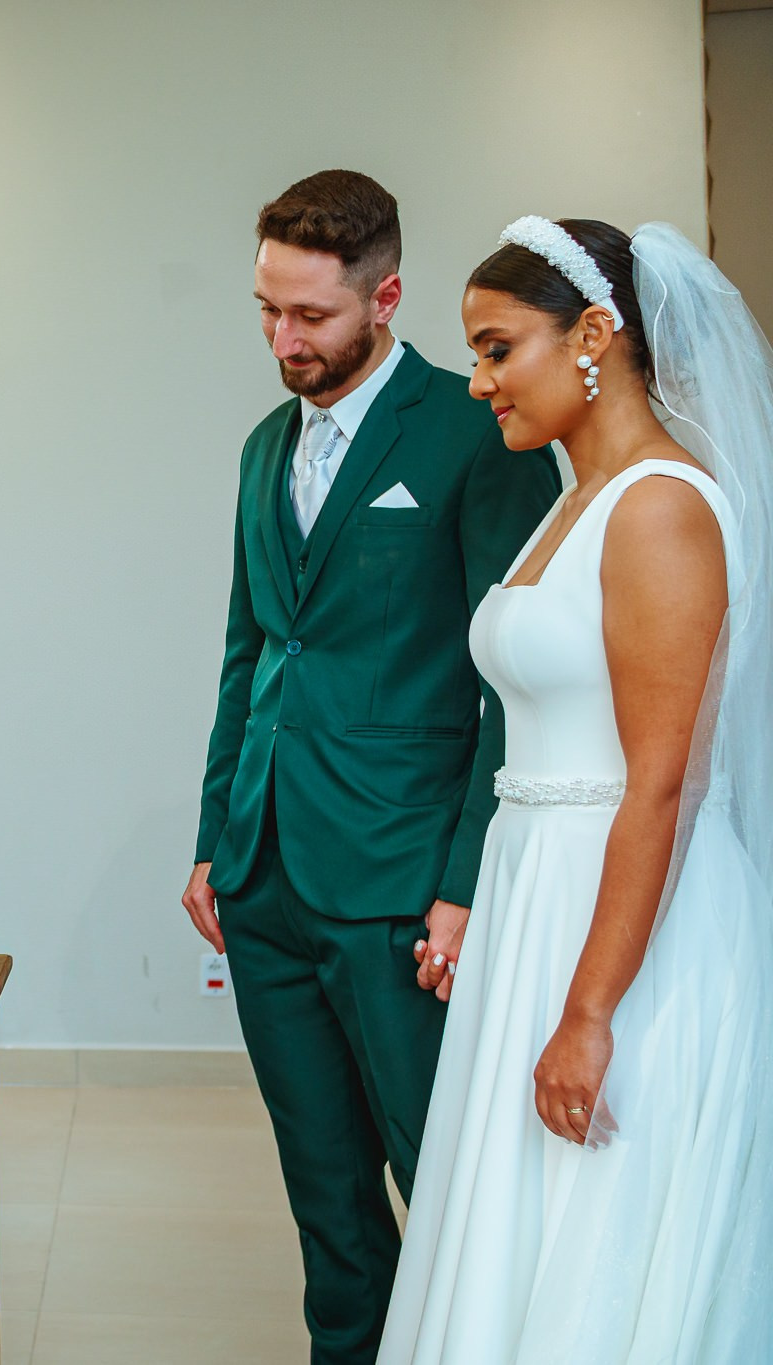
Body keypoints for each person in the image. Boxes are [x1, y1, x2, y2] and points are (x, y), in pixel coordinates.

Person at [378, 218, 773, 1362]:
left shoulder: (657, 508)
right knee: (513, 1219)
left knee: (596, 1234)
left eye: (498, 348)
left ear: (593, 334)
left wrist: (591, 1012)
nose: (476, 380)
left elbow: (662, 783)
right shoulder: (568, 500)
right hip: (537, 890)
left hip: (626, 918)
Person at [181, 170, 559, 1364]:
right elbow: (249, 652)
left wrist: (463, 882)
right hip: (263, 876)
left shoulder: (472, 431)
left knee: (438, 1172)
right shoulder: (257, 447)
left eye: (310, 317)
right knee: (326, 1203)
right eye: (264, 310)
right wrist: (213, 836)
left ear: (384, 297)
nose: (281, 340)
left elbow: (510, 683)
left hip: (401, 885)